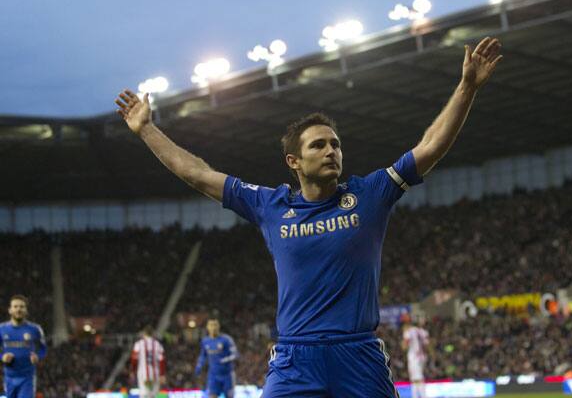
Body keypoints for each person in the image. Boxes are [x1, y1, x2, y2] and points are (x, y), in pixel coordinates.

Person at [115, 37, 502, 397]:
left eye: (335, 144)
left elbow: (431, 146)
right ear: (294, 161)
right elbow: (198, 173)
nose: (331, 151)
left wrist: (468, 86)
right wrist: (147, 129)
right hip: (295, 359)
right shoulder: (270, 205)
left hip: (359, 356)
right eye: (319, 145)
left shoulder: (368, 195)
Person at [0, 295, 47, 398]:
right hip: (9, 377)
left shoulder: (35, 329)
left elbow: (43, 349)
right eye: (15, 306)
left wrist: (37, 357)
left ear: (26, 310)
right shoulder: (2, 329)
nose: (18, 309)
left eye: (22, 306)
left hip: (27, 378)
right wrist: (2, 356)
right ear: (10, 310)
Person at [195, 318, 238, 398]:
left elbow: (235, 354)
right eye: (211, 325)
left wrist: (224, 360)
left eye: (215, 325)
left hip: (227, 375)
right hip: (213, 375)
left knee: (229, 396)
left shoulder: (226, 339)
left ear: (219, 326)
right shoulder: (205, 341)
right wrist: (199, 365)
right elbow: (203, 355)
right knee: (212, 396)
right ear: (207, 327)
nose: (213, 327)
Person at [131, 325, 166, 398]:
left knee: (144, 394)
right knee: (153, 395)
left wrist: (133, 371)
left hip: (143, 374)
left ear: (144, 333)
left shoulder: (138, 344)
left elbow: (134, 359)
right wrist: (162, 374)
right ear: (153, 334)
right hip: (155, 374)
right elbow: (162, 360)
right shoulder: (157, 344)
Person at [402, 320, 430, 398]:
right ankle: (417, 395)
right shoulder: (422, 331)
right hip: (422, 357)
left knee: (416, 379)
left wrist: (403, 344)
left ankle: (421, 396)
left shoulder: (408, 331)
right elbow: (427, 344)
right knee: (418, 377)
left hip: (414, 357)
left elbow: (405, 345)